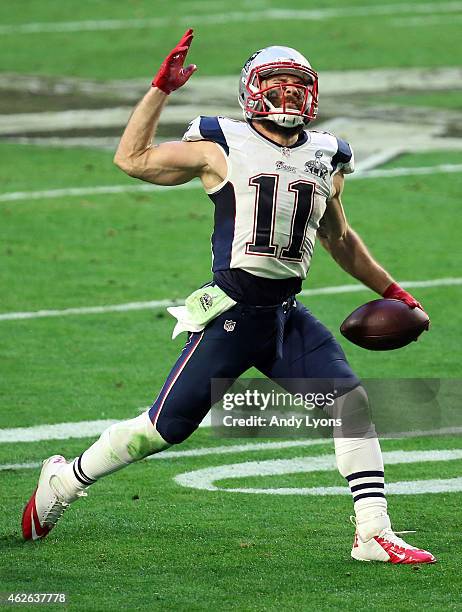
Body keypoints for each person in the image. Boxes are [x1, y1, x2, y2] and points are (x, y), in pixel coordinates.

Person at [22, 29, 435, 564]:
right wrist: (159, 90)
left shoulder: (327, 154)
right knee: (162, 429)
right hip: (234, 315)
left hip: (286, 316)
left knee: (350, 405)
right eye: (276, 85)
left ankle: (373, 532)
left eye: (295, 86)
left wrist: (394, 291)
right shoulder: (221, 143)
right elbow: (133, 159)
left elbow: (339, 238)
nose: (286, 97)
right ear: (251, 92)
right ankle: (65, 479)